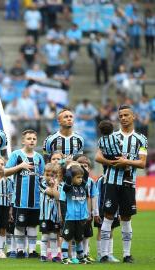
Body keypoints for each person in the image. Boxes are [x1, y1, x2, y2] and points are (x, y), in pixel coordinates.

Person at [96, 105, 147, 263]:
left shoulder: (141, 139)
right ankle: (104, 254)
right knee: (108, 216)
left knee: (126, 217)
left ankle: (126, 254)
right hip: (111, 181)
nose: (123, 118)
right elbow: (98, 157)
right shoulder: (111, 136)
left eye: (126, 115)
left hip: (128, 183)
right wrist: (111, 162)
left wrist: (126, 161)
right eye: (121, 115)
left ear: (134, 117)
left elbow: (142, 163)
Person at [5, 129, 45, 258]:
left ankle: (32, 250)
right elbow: (5, 172)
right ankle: (20, 249)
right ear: (23, 141)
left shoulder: (39, 157)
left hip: (36, 200)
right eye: (29, 138)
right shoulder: (16, 155)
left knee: (33, 225)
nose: (31, 141)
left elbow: (42, 176)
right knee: (20, 225)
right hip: (20, 199)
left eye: (34, 139)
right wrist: (20, 166)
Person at [59, 163, 89, 264]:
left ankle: (80, 257)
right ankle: (64, 257)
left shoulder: (83, 186)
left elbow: (86, 174)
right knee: (67, 239)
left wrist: (79, 165)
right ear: (71, 178)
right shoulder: (67, 187)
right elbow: (67, 176)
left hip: (81, 218)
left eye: (81, 177)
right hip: (70, 218)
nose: (81, 179)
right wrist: (69, 167)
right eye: (78, 177)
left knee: (79, 239)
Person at [39, 163, 61, 262]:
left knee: (53, 235)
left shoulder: (59, 184)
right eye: (47, 175)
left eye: (52, 175)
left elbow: (57, 196)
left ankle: (55, 255)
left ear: (56, 175)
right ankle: (43, 254)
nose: (49, 177)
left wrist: (55, 184)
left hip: (55, 215)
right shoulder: (42, 183)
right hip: (45, 214)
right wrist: (53, 186)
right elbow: (50, 192)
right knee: (45, 235)